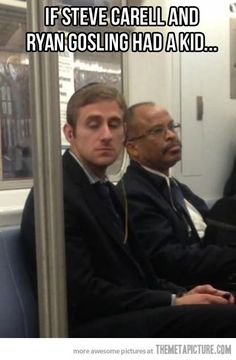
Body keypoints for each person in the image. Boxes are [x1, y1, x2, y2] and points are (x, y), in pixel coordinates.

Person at [21, 85, 236, 338]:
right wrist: (172, 302)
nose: (105, 135)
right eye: (93, 124)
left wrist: (183, 293)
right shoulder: (57, 194)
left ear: (124, 133)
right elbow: (82, 294)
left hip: (120, 311)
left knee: (221, 304)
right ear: (70, 133)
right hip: (83, 327)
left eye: (114, 124)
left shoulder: (103, 187)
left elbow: (139, 270)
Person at [121, 102, 236, 289]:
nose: (171, 135)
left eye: (172, 126)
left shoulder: (175, 187)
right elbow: (171, 260)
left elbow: (212, 229)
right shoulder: (134, 194)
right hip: (187, 290)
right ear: (133, 148)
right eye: (157, 131)